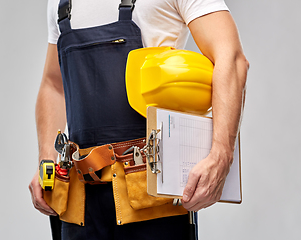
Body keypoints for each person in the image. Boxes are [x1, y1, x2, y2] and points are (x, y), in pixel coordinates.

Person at [29, 0, 249, 239]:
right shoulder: (61, 3)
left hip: (152, 203)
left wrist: (221, 155)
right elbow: (54, 83)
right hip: (80, 208)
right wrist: (47, 160)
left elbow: (232, 58)